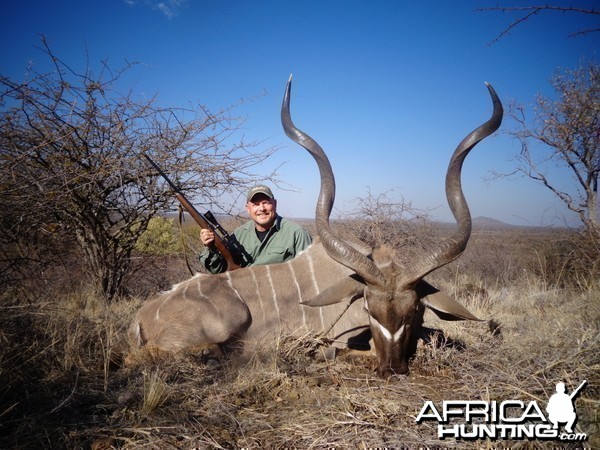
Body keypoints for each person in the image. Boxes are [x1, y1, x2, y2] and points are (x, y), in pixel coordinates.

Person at [199, 184, 312, 273]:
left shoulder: (297, 233)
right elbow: (219, 271)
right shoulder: (238, 235)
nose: (261, 208)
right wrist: (211, 247)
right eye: (256, 204)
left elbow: (309, 272)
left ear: (275, 204)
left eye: (266, 203)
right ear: (248, 208)